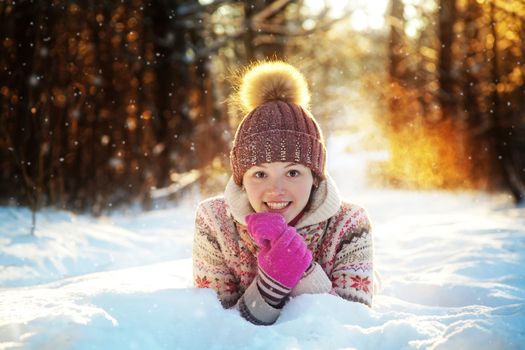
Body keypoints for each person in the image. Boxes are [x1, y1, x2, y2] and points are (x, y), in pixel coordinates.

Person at [193, 61, 373, 325]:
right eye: (260, 174)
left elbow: (350, 327)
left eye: (292, 173)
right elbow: (216, 328)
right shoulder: (215, 221)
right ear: (242, 179)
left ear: (315, 177)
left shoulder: (349, 223)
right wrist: (272, 282)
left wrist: (302, 270)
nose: (276, 190)